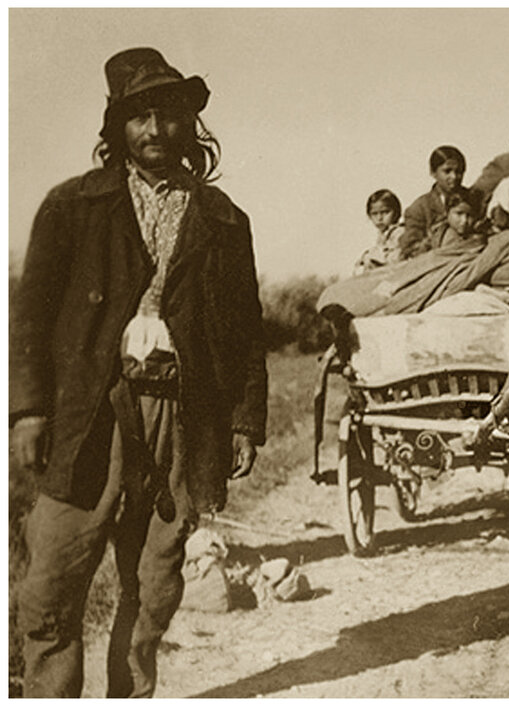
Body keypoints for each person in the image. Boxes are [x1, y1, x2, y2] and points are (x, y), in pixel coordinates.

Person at [10, 47, 267, 697]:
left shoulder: (224, 219)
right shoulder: (73, 207)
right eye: (139, 116)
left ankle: (130, 692)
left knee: (155, 583)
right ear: (116, 128)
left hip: (182, 417)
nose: (156, 130)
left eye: (170, 115)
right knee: (52, 584)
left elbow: (243, 331)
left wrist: (244, 421)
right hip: (89, 413)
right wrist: (30, 410)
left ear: (191, 125)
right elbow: (31, 317)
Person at [399, 145, 468, 259]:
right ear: (433, 172)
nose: (454, 177)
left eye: (459, 171)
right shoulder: (420, 208)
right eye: (447, 171)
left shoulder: (473, 200)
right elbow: (409, 250)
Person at [353, 189, 404, 275]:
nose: (379, 218)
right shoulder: (383, 235)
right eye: (374, 214)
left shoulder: (400, 233)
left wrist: (372, 257)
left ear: (396, 212)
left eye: (385, 212)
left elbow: (398, 257)